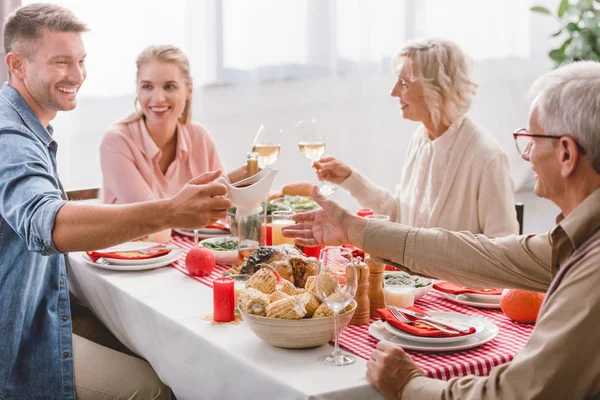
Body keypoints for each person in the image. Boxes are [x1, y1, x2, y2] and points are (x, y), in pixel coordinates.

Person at [283, 61, 600, 399]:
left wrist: (408, 384)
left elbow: (515, 394)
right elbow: (483, 255)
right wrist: (355, 229)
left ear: (566, 153)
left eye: (531, 140)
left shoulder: (592, 269)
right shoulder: (578, 240)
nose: (527, 156)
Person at [0, 4, 231, 399]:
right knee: (158, 387)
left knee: (161, 351)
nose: (77, 75)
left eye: (81, 61)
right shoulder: (11, 137)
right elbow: (49, 225)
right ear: (17, 65)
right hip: (20, 338)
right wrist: (172, 209)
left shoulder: (28, 126)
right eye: (61, 62)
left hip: (43, 310)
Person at [313, 39, 518, 237]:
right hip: (412, 271)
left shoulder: (486, 156)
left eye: (404, 83)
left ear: (437, 89)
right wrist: (350, 179)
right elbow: (400, 217)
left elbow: (504, 248)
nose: (393, 92)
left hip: (445, 274)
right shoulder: (421, 139)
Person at [100, 45, 244, 242]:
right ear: (137, 89)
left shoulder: (199, 137)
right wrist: (227, 184)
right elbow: (153, 224)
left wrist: (239, 189)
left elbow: (221, 211)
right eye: (147, 86)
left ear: (188, 90)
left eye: (169, 86)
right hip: (129, 261)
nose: (158, 98)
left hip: (187, 253)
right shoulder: (116, 142)